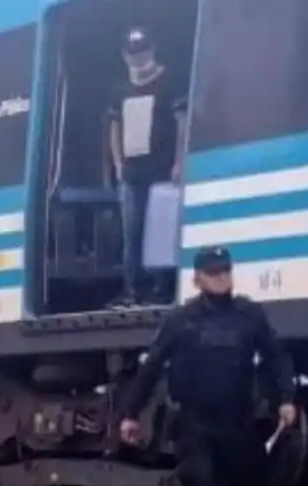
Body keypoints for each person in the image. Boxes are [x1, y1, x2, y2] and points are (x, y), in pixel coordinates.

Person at [118, 247, 296, 486]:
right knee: (201, 483)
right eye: (213, 273)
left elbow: (276, 356)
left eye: (225, 271)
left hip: (235, 419)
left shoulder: (249, 315)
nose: (221, 278)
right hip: (193, 419)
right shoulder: (180, 320)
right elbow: (151, 366)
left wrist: (287, 398)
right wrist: (130, 414)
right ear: (197, 279)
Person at [106, 27, 188, 307]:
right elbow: (114, 127)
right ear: (124, 56)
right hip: (131, 172)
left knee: (161, 230)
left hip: (162, 169)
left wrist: (179, 161)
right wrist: (118, 163)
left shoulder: (170, 82)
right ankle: (134, 289)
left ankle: (163, 288)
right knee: (132, 232)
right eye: (133, 54)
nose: (139, 58)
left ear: (152, 50)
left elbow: (181, 123)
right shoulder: (119, 89)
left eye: (142, 52)